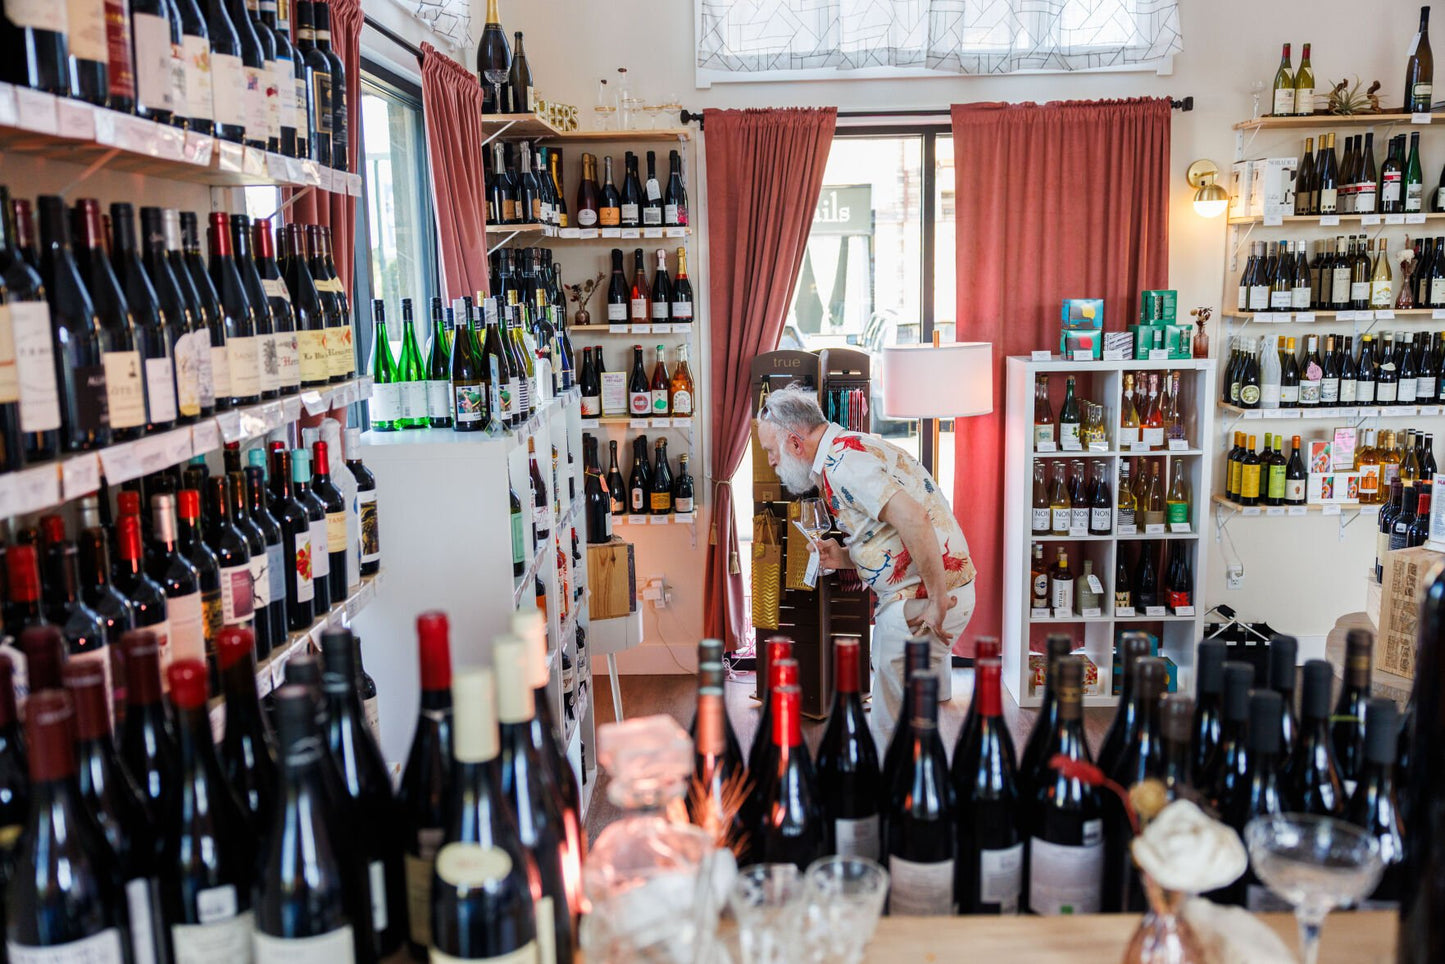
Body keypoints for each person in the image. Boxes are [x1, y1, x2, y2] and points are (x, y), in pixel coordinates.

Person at [754, 385, 976, 748]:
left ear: (795, 443)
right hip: (933, 592)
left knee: (891, 725)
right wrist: (842, 557)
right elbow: (885, 534)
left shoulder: (845, 466)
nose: (771, 461)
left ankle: (891, 794)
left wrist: (937, 600)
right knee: (904, 715)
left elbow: (915, 520)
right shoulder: (849, 447)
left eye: (770, 451)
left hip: (926, 601)